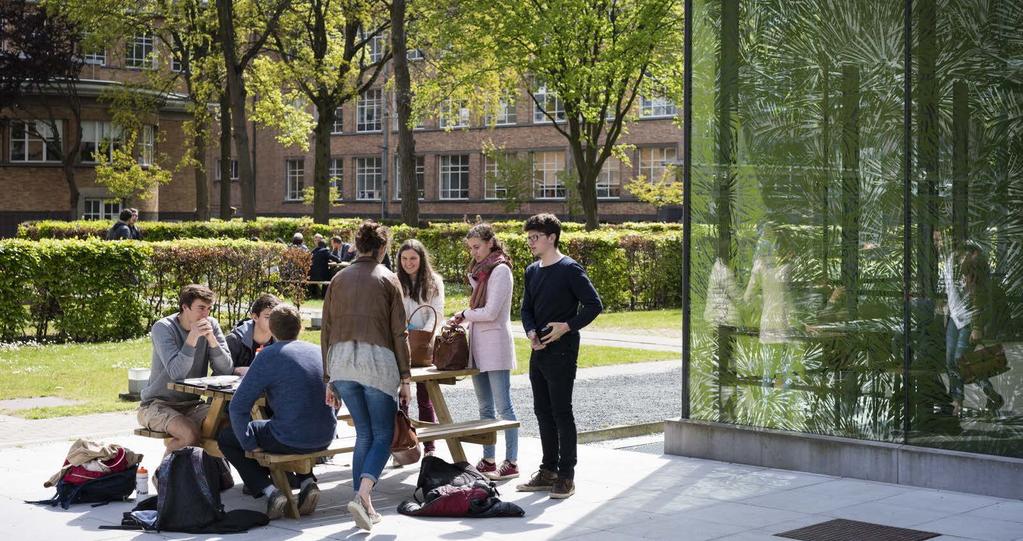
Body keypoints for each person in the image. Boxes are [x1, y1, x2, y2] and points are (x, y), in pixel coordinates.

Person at [321, 220, 411, 532]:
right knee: (383, 436)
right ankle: (362, 497)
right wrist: (406, 377)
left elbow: (326, 331)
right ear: (383, 248)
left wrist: (327, 377)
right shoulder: (389, 279)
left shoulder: (339, 278)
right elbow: (399, 334)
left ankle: (364, 504)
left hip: (342, 362)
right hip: (378, 362)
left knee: (364, 434)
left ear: (357, 246)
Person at [217, 304, 337, 519]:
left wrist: (249, 445)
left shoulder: (269, 355)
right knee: (286, 424)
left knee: (227, 436)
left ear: (271, 329)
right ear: (300, 327)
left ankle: (270, 491)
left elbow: (237, 406)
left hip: (290, 436)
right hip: (326, 435)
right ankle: (307, 482)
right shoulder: (318, 351)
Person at [516, 213, 602, 499]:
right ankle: (548, 470)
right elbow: (526, 309)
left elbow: (593, 305)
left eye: (535, 237)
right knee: (542, 412)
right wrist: (530, 332)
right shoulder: (532, 271)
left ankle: (566, 475)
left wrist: (567, 326)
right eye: (528, 238)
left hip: (563, 351)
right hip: (538, 352)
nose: (530, 242)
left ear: (551, 238)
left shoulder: (570, 269)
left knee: (561, 413)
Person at [449, 223, 519, 480]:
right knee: (485, 407)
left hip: (495, 345)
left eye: (477, 247)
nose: (474, 253)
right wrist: (463, 319)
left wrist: (465, 314)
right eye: (471, 248)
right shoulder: (480, 271)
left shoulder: (500, 270)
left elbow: (490, 312)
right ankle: (489, 459)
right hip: (478, 347)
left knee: (504, 407)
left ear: (491, 243)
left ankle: (511, 461)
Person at [137, 284, 233, 454]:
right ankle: (163, 478)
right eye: (201, 308)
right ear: (185, 307)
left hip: (192, 404)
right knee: (189, 434)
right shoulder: (163, 328)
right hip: (156, 404)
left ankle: (210, 476)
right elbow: (177, 373)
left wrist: (212, 340)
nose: (206, 314)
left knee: (229, 429)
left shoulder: (212, 325)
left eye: (209, 308)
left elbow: (226, 369)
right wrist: (193, 337)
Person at [938, 233, 1003, 416]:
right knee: (952, 361)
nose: (937, 244)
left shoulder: (972, 260)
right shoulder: (950, 261)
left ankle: (984, 395)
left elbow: (979, 295)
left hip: (969, 320)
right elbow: (950, 287)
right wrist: (946, 305)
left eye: (940, 240)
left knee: (961, 360)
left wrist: (977, 326)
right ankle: (959, 401)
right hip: (954, 318)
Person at [394, 239, 444, 458]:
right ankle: (404, 444)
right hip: (400, 344)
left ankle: (430, 447)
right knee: (401, 398)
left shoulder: (434, 282)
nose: (408, 263)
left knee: (425, 397)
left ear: (421, 259)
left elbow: (437, 314)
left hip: (424, 345)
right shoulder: (395, 281)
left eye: (413, 258)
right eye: (404, 258)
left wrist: (420, 338)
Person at [226, 294, 280, 375]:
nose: (274, 322)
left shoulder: (280, 343)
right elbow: (220, 373)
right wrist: (237, 371)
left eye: (277, 317)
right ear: (255, 317)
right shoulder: (234, 340)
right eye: (268, 317)